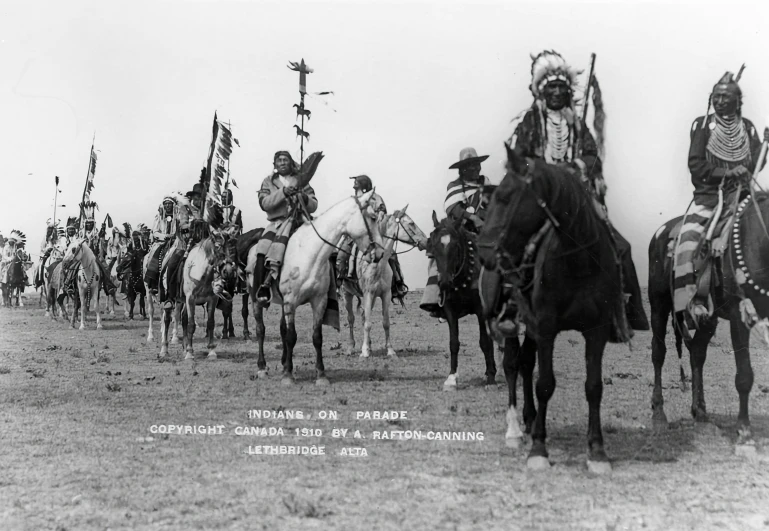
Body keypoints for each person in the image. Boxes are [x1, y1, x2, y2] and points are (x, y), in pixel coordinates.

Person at [503, 49, 649, 331]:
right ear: (542, 92)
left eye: (561, 87)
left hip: (576, 200)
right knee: (513, 243)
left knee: (619, 246)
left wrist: (576, 168)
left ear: (568, 92)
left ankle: (622, 310)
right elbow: (519, 159)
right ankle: (509, 307)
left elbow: (593, 156)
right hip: (541, 199)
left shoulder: (578, 125)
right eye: (551, 87)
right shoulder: (531, 123)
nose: (557, 92)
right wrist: (545, 173)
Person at [673, 71, 768, 322]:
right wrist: (726, 172)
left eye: (726, 97)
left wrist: (763, 147)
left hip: (743, 196)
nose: (720, 101)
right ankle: (697, 299)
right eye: (716, 96)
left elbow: (755, 163)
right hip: (711, 197)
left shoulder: (746, 127)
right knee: (690, 239)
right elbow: (696, 165)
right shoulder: (703, 125)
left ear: (738, 101)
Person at [419, 147, 491, 317]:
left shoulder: (485, 182)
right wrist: (473, 218)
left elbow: (492, 203)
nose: (476, 169)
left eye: (477, 165)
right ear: (463, 169)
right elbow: (453, 208)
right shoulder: (454, 186)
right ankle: (434, 298)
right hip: (461, 229)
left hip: (485, 228)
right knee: (440, 253)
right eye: (471, 166)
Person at [254, 151, 318, 303]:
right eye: (279, 160)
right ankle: (262, 287)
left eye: (285, 160)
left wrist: (304, 198)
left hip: (300, 221)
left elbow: (314, 205)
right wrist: (282, 192)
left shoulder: (302, 180)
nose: (282, 163)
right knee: (262, 249)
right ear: (275, 164)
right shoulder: (268, 182)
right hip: (277, 223)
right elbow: (265, 203)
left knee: (322, 247)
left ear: (291, 163)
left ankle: (327, 290)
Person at [336, 175, 409, 300]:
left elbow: (382, 210)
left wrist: (380, 214)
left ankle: (397, 283)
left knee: (391, 255)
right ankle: (339, 284)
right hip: (354, 236)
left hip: (374, 235)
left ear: (363, 186)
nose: (354, 187)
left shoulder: (376, 198)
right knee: (341, 256)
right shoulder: (353, 200)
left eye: (356, 184)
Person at [78, 202, 117, 296]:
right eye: (87, 224)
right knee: (71, 268)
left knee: (105, 268)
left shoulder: (96, 234)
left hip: (94, 256)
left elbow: (101, 244)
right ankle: (68, 285)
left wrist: (102, 233)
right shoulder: (81, 234)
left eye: (91, 224)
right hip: (82, 256)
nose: (89, 226)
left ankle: (108, 285)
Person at [145, 196, 181, 293]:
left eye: (170, 203)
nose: (168, 205)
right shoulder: (159, 217)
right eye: (166, 204)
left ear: (173, 205)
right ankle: (154, 283)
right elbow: (155, 231)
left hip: (176, 241)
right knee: (156, 255)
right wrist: (165, 236)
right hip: (162, 241)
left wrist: (175, 236)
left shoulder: (178, 217)